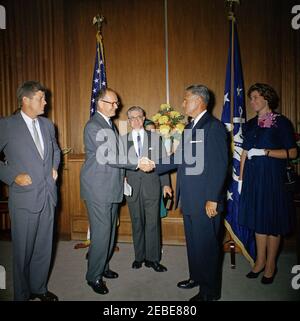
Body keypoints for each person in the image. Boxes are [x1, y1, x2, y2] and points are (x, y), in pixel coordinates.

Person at [141, 84, 228, 301]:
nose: (182, 103)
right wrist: (153, 164)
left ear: (199, 101)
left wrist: (213, 198)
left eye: (186, 99)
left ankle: (210, 292)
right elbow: (178, 158)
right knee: (194, 242)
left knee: (207, 246)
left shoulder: (213, 127)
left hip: (206, 199)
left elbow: (219, 165)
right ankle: (196, 277)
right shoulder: (190, 128)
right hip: (189, 197)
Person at [0, 81, 61, 301]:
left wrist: (54, 167)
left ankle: (39, 287)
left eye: (45, 98)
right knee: (23, 252)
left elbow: (55, 150)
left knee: (44, 247)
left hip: (48, 196)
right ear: (25, 100)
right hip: (25, 199)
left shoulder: (47, 125)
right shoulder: (7, 125)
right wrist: (12, 176)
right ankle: (22, 294)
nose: (46, 102)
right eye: (41, 98)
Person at [80, 87, 139, 295]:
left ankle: (103, 267)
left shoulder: (109, 125)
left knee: (110, 232)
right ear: (100, 104)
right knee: (102, 234)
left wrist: (123, 175)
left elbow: (118, 154)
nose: (117, 106)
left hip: (111, 185)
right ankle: (93, 276)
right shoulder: (94, 126)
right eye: (113, 103)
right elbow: (109, 156)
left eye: (117, 102)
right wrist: (138, 162)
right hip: (98, 188)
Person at [238, 83, 297, 284]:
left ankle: (271, 264)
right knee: (257, 221)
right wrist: (241, 178)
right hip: (253, 179)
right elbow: (245, 152)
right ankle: (260, 261)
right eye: (251, 98)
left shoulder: (280, 122)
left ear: (266, 98)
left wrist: (266, 152)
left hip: (273, 179)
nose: (252, 101)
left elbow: (293, 153)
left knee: (272, 223)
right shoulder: (251, 123)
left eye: (255, 97)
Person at [123, 107, 172, 272]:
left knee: (152, 223)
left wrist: (166, 184)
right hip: (132, 187)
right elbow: (120, 164)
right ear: (128, 121)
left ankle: (153, 259)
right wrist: (121, 181)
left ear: (144, 118)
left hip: (152, 185)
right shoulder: (123, 140)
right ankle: (139, 257)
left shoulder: (155, 138)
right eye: (132, 118)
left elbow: (164, 161)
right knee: (137, 222)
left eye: (139, 117)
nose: (136, 120)